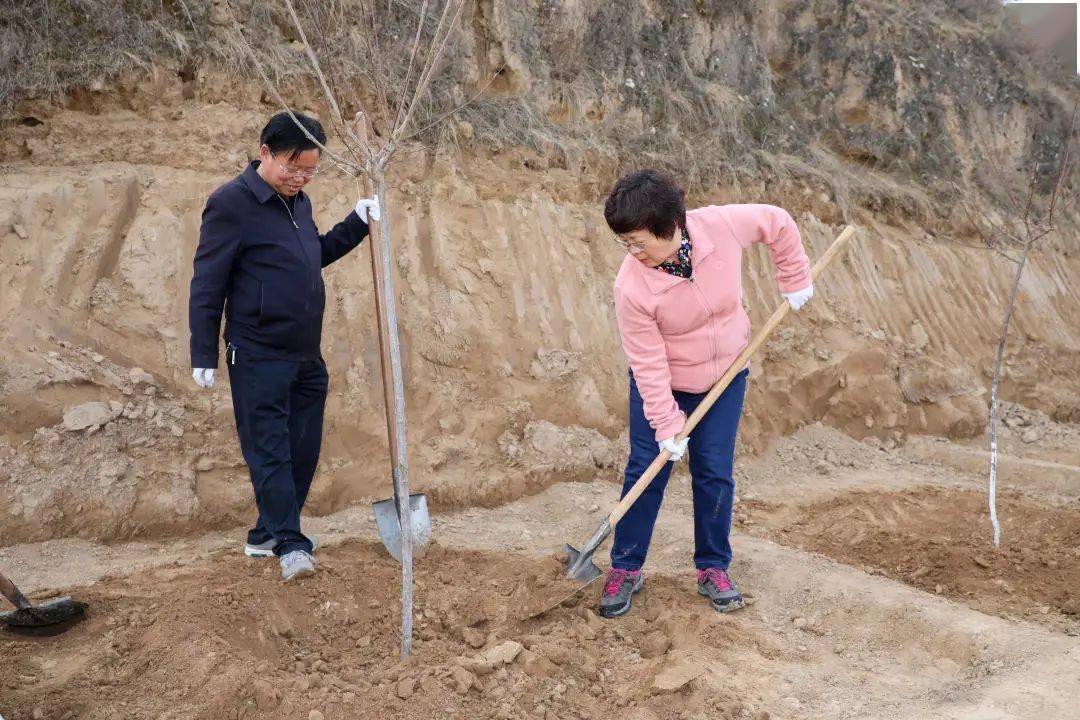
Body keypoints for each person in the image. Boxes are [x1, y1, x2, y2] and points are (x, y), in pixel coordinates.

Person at [598, 170, 813, 617]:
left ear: (669, 225)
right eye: (625, 244)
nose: (632, 252)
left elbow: (777, 222)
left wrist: (794, 277)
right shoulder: (632, 287)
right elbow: (648, 364)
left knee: (714, 472)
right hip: (664, 383)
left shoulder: (721, 225)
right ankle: (626, 567)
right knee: (647, 469)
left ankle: (713, 567)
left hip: (726, 375)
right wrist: (666, 423)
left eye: (638, 241)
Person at [188, 111, 379, 582]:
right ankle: (292, 546)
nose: (300, 178)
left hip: (304, 354)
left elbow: (313, 256)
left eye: (310, 170)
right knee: (270, 450)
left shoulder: (300, 203)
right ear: (265, 152)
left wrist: (357, 222)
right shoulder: (230, 204)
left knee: (303, 450)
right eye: (293, 167)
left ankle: (264, 535)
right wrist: (202, 351)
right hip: (257, 353)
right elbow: (207, 282)